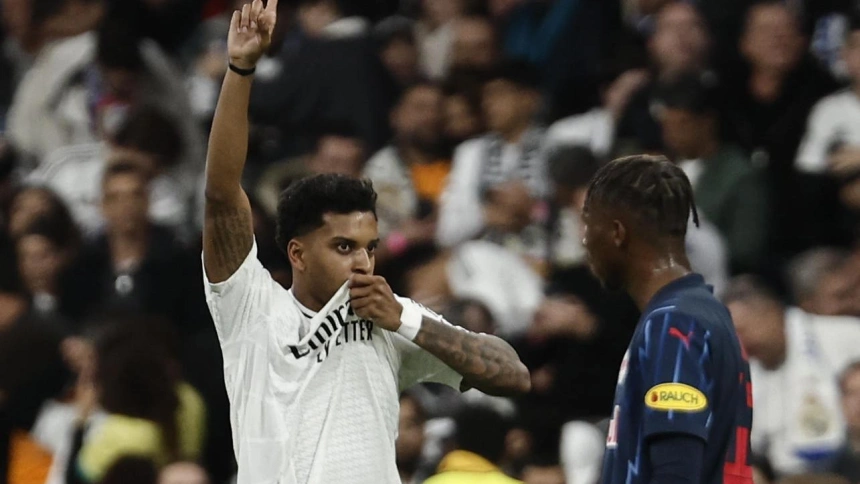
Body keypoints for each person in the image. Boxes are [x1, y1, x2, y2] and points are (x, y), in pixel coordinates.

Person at [201, 2, 531, 484]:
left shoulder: (392, 320)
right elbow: (220, 194)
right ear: (297, 253)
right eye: (343, 247)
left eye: (369, 247)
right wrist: (241, 68)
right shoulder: (251, 308)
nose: (362, 261)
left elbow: (512, 375)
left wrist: (406, 320)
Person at [580, 155, 753, 484]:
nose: (585, 241)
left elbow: (676, 472)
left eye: (589, 225)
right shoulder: (707, 312)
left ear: (617, 233)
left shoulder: (673, 325)